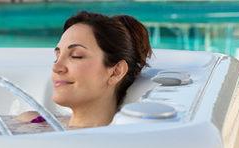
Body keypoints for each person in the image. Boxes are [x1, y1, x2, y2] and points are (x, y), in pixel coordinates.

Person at [17, 11, 152, 128]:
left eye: (76, 56)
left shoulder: (115, 145)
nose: (56, 67)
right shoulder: (32, 121)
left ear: (116, 72)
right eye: (57, 56)